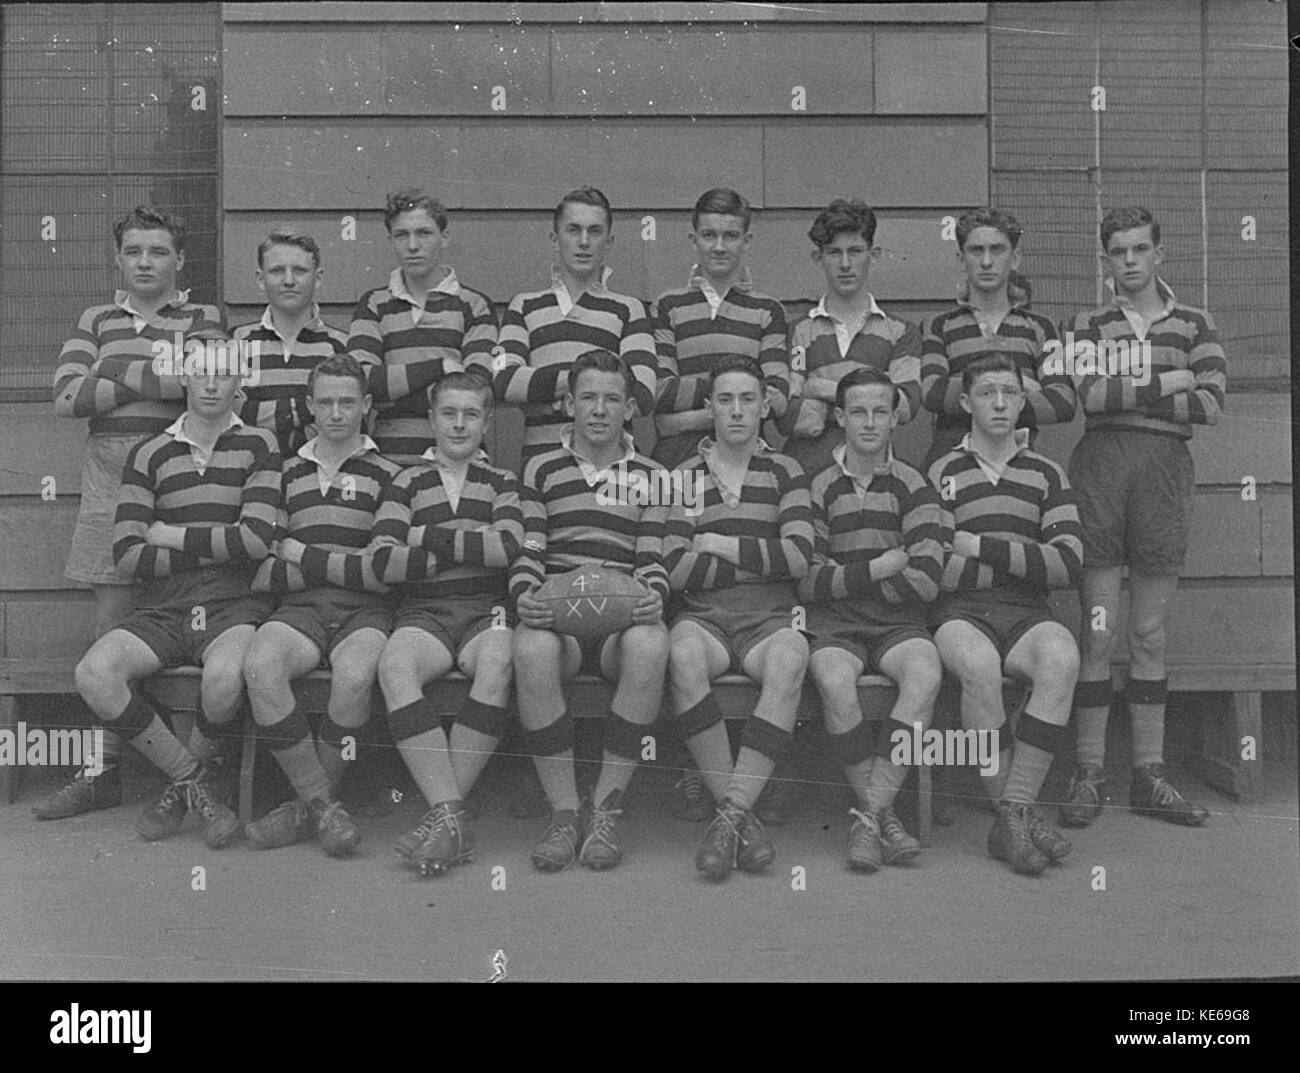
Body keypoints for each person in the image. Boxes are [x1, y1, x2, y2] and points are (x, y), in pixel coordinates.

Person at [42, 206, 225, 820]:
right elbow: (67, 398)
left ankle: (191, 774)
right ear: (118, 259)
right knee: (111, 629)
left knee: (187, 621)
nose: (146, 263)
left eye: (158, 252)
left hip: (180, 481)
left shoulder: (203, 317)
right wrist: (153, 374)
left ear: (179, 259)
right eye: (134, 252)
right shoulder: (96, 318)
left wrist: (115, 371)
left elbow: (205, 383)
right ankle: (105, 772)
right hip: (107, 483)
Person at [72, 333, 279, 847]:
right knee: (95, 674)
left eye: (224, 372)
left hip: (233, 602)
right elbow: (128, 552)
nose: (211, 383)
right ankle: (192, 781)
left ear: (240, 380)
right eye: (201, 371)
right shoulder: (151, 451)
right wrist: (215, 543)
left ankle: (183, 788)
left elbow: (255, 541)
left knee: (227, 676)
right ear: (183, 375)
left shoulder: (260, 445)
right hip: (166, 602)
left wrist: (172, 536)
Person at [1060, 206, 1227, 830]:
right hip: (1101, 466)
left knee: (1149, 633)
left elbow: (1210, 403)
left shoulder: (1195, 321)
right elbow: (1089, 396)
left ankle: (1149, 774)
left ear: (1160, 252)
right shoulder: (1087, 322)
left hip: (1163, 471)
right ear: (1104, 260)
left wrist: (1136, 378)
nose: (1129, 262)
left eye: (1139, 250)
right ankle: (1089, 770)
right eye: (1117, 252)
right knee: (1099, 629)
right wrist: (1168, 378)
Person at [650, 186, 790, 822]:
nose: (719, 246)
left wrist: (707, 399)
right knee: (683, 606)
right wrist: (724, 395)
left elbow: (777, 394)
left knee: (736, 591)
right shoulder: (667, 306)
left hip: (740, 468)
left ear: (746, 240)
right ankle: (694, 769)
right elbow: (652, 392)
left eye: (731, 235)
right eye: (708, 234)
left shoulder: (767, 310)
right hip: (679, 468)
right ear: (693, 239)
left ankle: (738, 785)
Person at [510, 349, 671, 871]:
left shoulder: (652, 474)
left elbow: (652, 553)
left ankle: (605, 809)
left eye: (611, 399)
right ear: (569, 405)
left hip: (619, 620)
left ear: (628, 409)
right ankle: (562, 812)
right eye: (588, 398)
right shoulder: (540, 467)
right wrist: (526, 594)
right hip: (563, 619)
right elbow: (530, 547)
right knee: (530, 644)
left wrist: (653, 592)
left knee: (651, 640)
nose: (599, 410)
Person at [241, 354, 402, 857]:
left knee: (355, 676)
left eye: (347, 402)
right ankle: (323, 807)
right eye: (326, 402)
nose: (336, 412)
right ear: (310, 406)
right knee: (261, 665)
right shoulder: (285, 473)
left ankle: (298, 808)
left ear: (367, 406)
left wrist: (301, 553)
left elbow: (381, 573)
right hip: (300, 608)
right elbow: (265, 567)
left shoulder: (392, 475)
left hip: (365, 612)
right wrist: (342, 560)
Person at [928, 354, 1082, 876]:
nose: (999, 403)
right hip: (959, 614)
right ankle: (1017, 817)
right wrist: (1022, 561)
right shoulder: (944, 472)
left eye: (1009, 393)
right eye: (987, 392)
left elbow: (1067, 564)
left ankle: (1012, 815)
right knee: (978, 668)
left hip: (1024, 613)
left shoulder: (1046, 473)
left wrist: (982, 547)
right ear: (966, 402)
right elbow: (937, 571)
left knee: (1061, 657)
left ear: (1023, 402)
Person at [663, 354, 814, 881]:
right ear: (708, 408)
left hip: (770, 617)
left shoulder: (786, 470)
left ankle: (727, 817)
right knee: (679, 654)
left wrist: (719, 542)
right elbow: (676, 568)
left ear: (765, 406)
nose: (736, 411)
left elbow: (798, 558)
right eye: (724, 400)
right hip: (703, 616)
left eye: (747, 399)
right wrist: (755, 558)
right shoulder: (684, 475)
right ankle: (741, 816)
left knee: (792, 657)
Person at [370, 371, 524, 875]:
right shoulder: (405, 479)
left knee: (501, 658)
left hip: (487, 611)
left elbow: (507, 549)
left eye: (471, 414)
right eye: (449, 414)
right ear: (432, 419)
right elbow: (382, 561)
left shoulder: (502, 482)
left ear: (486, 422)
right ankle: (452, 815)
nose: (459, 425)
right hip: (425, 612)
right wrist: (468, 539)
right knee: (395, 664)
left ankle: (441, 817)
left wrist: (425, 536)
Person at [800, 367, 945, 871]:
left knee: (925, 671)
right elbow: (808, 581)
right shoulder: (817, 487)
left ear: (894, 418)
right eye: (858, 412)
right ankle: (882, 819)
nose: (869, 422)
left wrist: (848, 575)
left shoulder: (914, 485)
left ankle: (869, 816)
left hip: (898, 623)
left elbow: (926, 578)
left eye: (880, 412)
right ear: (839, 417)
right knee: (834, 678)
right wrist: (882, 566)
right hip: (836, 626)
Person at [493, 186, 657, 463]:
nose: (584, 241)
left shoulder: (628, 309)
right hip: (540, 462)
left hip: (610, 465)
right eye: (573, 230)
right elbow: (502, 380)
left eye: (594, 232)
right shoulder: (525, 305)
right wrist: (596, 386)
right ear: (555, 239)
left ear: (609, 241)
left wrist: (545, 389)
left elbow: (641, 395)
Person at [919, 207, 1075, 474]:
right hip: (951, 466)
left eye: (997, 250)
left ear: (1014, 258)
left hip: (1019, 465)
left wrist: (972, 391)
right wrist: (1018, 387)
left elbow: (1061, 403)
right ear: (961, 258)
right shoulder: (939, 325)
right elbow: (932, 393)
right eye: (976, 251)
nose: (987, 261)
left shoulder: (1040, 327)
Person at [349, 189, 497, 464]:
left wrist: (392, 399)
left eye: (424, 233)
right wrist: (439, 368)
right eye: (402, 235)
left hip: (461, 462)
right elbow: (362, 382)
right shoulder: (374, 304)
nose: (413, 245)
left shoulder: (474, 305)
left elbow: (476, 388)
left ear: (445, 237)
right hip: (389, 461)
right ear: (390, 240)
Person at [778, 198, 921, 478]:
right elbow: (790, 414)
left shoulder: (900, 332)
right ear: (818, 258)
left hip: (876, 476)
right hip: (805, 475)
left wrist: (819, 388)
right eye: (834, 252)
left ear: (874, 254)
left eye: (855, 251)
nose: (845, 264)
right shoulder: (798, 332)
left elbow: (904, 406)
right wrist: (872, 405)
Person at [234, 228, 349, 456]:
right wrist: (312, 408)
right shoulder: (237, 343)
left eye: (299, 270)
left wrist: (263, 417)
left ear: (317, 278)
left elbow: (347, 420)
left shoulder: (341, 347)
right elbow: (235, 413)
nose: (289, 280)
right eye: (277, 271)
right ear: (260, 279)